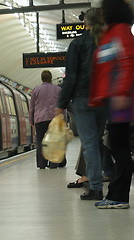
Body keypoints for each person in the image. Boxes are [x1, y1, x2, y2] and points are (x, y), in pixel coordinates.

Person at [55, 8, 108, 200]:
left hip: (83, 99)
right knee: (97, 140)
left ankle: (95, 187)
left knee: (90, 143)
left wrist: (61, 103)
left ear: (85, 23)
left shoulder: (77, 43)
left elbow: (72, 77)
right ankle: (106, 173)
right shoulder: (108, 43)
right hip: (104, 99)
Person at [89, 0, 134, 209]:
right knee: (116, 146)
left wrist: (122, 93)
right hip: (115, 98)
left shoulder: (121, 32)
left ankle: (120, 196)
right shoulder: (114, 32)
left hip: (120, 99)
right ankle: (116, 194)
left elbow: (127, 63)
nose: (101, 15)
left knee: (119, 147)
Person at [29, 70, 66, 169]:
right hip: (55, 119)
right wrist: (64, 120)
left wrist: (31, 120)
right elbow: (63, 105)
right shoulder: (58, 90)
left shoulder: (36, 90)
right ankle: (53, 164)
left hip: (40, 119)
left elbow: (32, 107)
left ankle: (42, 164)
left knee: (41, 142)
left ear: (42, 78)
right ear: (51, 78)